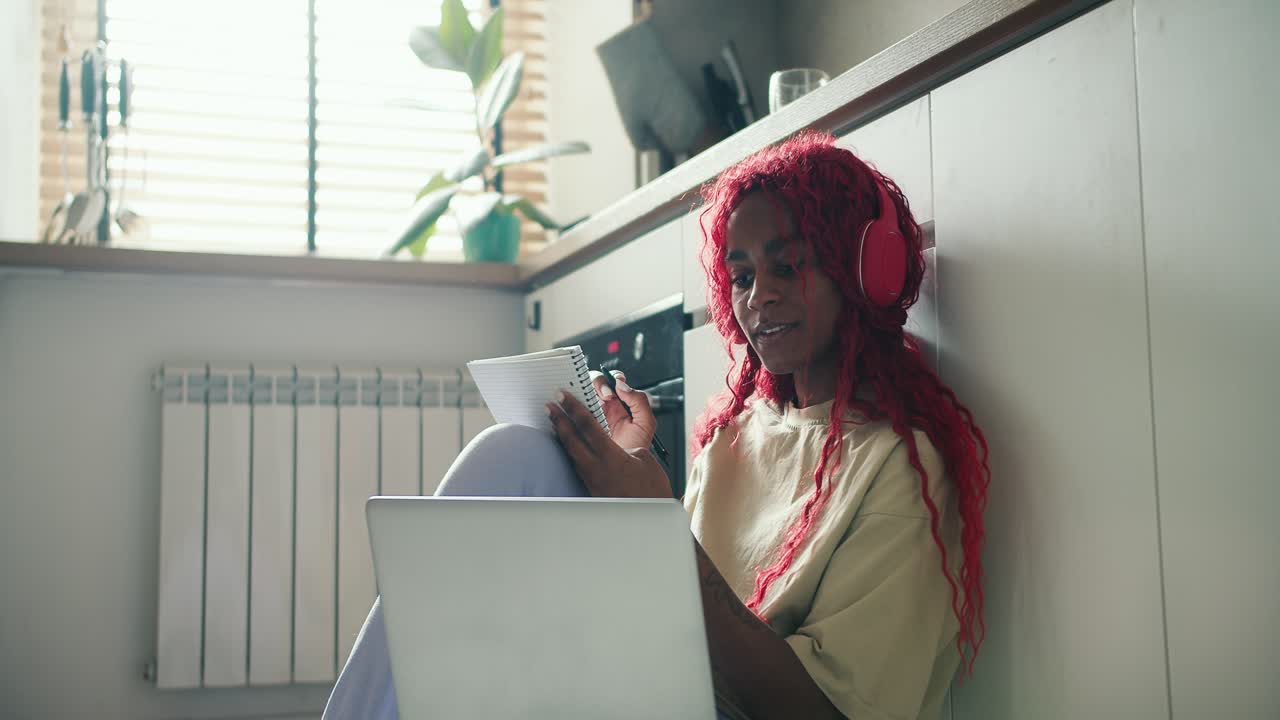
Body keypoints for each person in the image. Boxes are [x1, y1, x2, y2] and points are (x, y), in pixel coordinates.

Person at [324, 131, 990, 720]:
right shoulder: (738, 436)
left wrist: (655, 526)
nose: (761, 295)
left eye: (789, 264)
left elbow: (819, 710)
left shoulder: (900, 466)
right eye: (741, 275)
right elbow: (672, 606)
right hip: (647, 674)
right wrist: (631, 477)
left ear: (864, 271)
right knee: (514, 455)